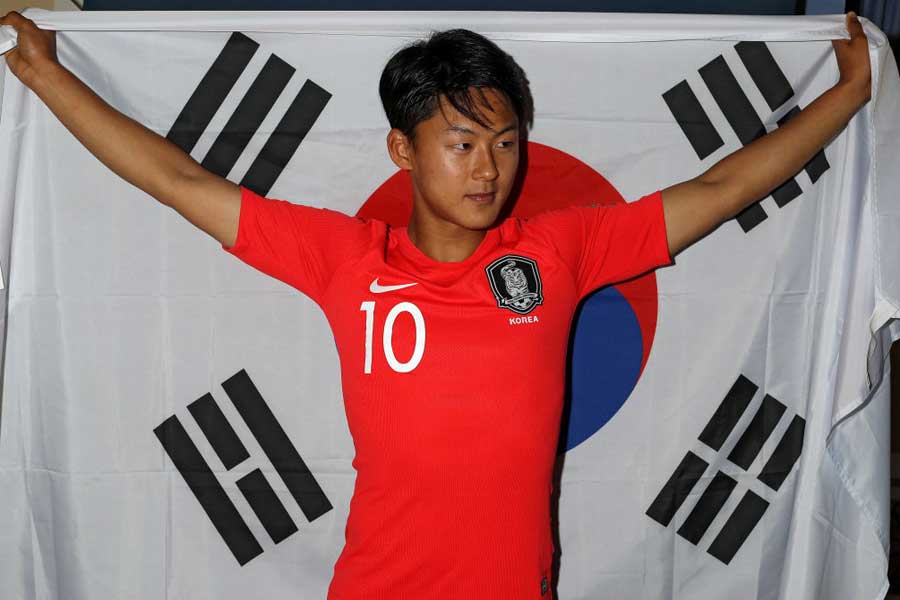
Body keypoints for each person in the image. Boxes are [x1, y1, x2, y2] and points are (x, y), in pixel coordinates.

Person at [0, 10, 872, 600]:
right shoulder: (345, 259)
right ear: (402, 150)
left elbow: (719, 189)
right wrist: (42, 74)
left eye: (505, 143)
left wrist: (846, 95)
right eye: (462, 143)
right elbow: (180, 180)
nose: (489, 169)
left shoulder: (558, 251)